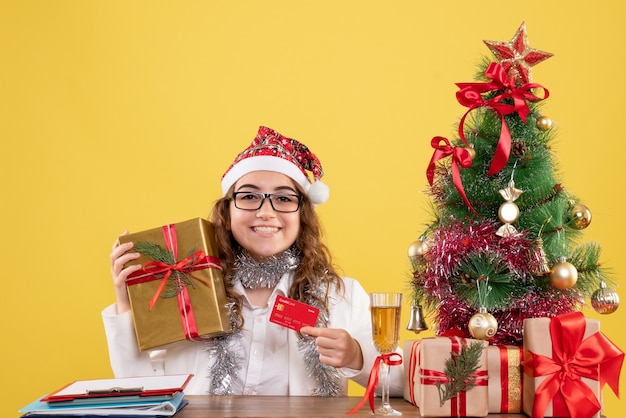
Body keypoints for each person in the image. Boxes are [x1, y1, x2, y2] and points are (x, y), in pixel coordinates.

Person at [103, 126, 403, 396]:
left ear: (303, 214)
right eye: (249, 196)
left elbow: (402, 382)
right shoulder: (191, 287)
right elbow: (137, 384)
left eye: (284, 199)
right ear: (227, 211)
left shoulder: (342, 296)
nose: (265, 212)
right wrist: (127, 304)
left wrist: (357, 357)